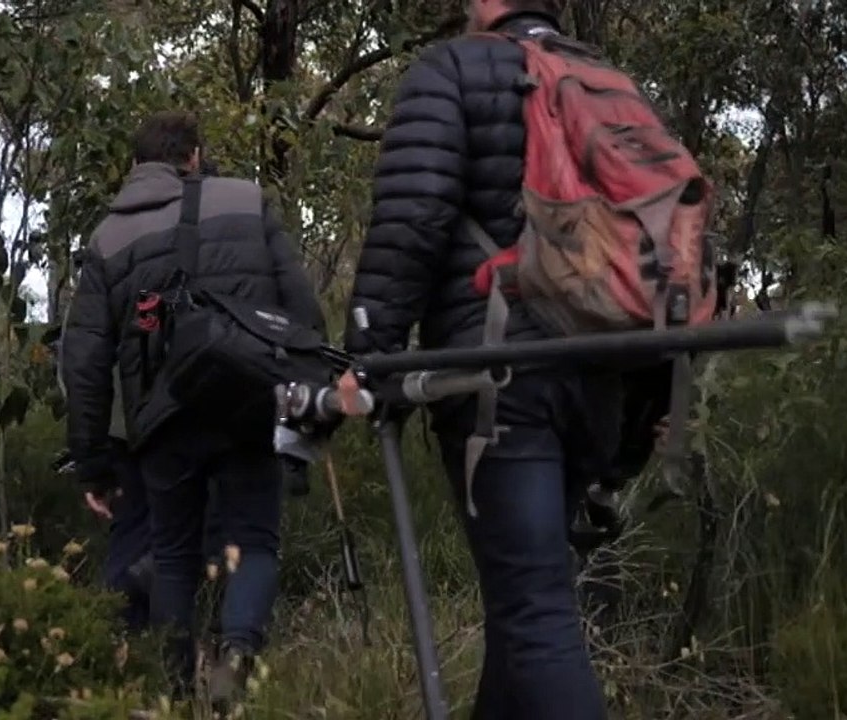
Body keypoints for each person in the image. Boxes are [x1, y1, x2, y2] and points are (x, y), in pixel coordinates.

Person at [336, 2, 620, 718]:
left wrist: (369, 354)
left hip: (504, 377)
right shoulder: (606, 78)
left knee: (535, 613)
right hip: (608, 372)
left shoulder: (453, 68)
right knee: (521, 602)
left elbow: (415, 213)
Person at [60, 110, 325, 708]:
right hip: (247, 403)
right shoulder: (247, 200)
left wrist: (93, 464)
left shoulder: (108, 237)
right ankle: (237, 650)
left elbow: (85, 362)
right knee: (254, 540)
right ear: (195, 157)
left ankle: (176, 695)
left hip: (163, 417)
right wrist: (308, 410)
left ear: (136, 165)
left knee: (174, 555)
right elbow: (302, 309)